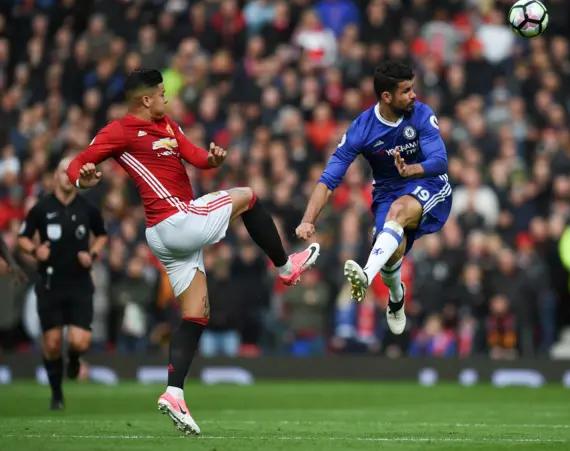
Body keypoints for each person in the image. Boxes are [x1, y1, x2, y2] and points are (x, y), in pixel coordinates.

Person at [66, 69, 319, 435]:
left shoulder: (167, 124)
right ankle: (285, 267)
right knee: (248, 196)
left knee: (196, 313)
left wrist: (213, 159)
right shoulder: (118, 131)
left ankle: (174, 392)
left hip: (167, 233)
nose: (166, 99)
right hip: (174, 220)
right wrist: (81, 177)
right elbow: (80, 161)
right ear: (145, 99)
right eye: (161, 94)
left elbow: (196, 156)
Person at [296, 61, 451, 335]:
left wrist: (411, 169)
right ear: (386, 97)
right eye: (406, 91)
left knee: (397, 213)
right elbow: (329, 178)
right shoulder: (362, 129)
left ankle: (365, 276)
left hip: (427, 182)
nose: (413, 95)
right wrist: (308, 220)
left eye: (413, 89)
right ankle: (396, 297)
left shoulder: (421, 114)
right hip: (387, 192)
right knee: (392, 253)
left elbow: (439, 161)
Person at [17, 156, 108, 410]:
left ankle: (76, 359)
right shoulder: (42, 208)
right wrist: (35, 251)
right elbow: (22, 238)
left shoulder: (87, 208)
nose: (68, 175)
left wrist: (90, 255)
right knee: (53, 342)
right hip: (50, 283)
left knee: (80, 342)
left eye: (73, 171)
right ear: (55, 176)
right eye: (63, 171)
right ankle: (57, 395)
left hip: (79, 283)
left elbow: (101, 236)